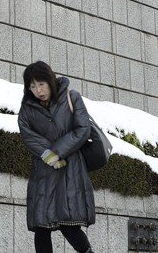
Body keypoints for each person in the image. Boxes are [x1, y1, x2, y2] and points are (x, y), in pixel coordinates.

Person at [18, 61, 97, 253]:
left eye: (41, 84)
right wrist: (48, 154)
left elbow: (83, 129)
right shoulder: (27, 108)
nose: (38, 90)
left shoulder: (72, 97)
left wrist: (58, 151)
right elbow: (27, 134)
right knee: (42, 226)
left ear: (51, 80)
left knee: (69, 225)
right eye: (33, 86)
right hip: (43, 171)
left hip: (70, 169)